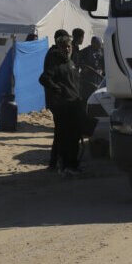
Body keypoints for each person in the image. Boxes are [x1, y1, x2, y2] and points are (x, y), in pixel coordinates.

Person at [40, 34, 84, 177]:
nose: (67, 49)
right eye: (64, 47)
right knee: (64, 137)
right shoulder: (55, 62)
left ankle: (72, 165)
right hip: (62, 107)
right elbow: (44, 78)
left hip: (74, 104)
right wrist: (58, 90)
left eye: (69, 46)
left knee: (74, 137)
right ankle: (64, 166)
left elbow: (75, 83)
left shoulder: (70, 63)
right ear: (59, 48)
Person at [43, 29, 71, 170]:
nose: (67, 48)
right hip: (57, 101)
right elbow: (47, 78)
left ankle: (55, 162)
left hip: (58, 100)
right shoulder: (54, 55)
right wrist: (58, 90)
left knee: (60, 131)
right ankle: (55, 162)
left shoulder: (55, 54)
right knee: (60, 131)